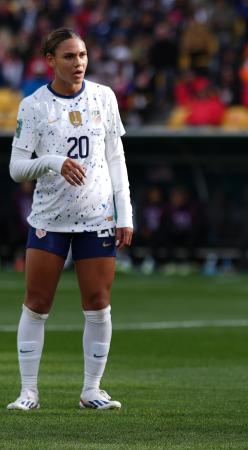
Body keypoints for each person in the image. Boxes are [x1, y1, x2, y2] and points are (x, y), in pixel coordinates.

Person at [7, 28, 133, 411]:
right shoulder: (33, 106)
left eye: (82, 56)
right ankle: (28, 392)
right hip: (49, 219)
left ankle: (92, 389)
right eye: (69, 57)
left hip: (97, 217)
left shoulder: (103, 97)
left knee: (98, 304)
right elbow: (16, 168)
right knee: (37, 303)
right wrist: (53, 163)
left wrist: (125, 214)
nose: (78, 64)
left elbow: (116, 158)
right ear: (50, 61)